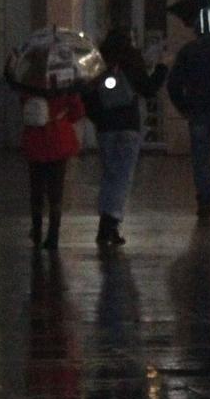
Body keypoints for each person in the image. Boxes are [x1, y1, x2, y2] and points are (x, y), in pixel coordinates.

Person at [87, 28, 167, 247]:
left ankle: (105, 221)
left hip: (105, 128)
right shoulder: (132, 61)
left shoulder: (97, 64)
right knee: (123, 176)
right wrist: (161, 68)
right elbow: (148, 89)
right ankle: (110, 222)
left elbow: (88, 95)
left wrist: (98, 118)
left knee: (110, 174)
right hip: (129, 126)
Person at [166, 12, 210, 218]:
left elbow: (174, 83)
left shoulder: (188, 51)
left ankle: (204, 197)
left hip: (198, 110)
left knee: (200, 157)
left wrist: (183, 107)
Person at [21, 86, 85, 251]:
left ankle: (36, 231)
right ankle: (53, 235)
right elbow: (77, 112)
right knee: (55, 192)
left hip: (34, 140)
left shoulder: (30, 84)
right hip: (58, 139)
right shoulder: (65, 86)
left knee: (36, 190)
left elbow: (24, 107)